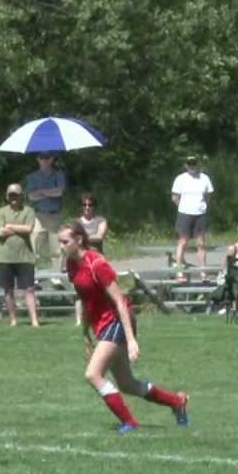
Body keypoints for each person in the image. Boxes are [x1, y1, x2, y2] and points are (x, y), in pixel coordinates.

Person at [60, 220, 190, 434]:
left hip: (117, 321)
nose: (61, 246)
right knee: (127, 384)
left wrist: (131, 340)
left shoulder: (96, 263)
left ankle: (130, 423)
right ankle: (176, 401)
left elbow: (120, 301)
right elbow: (85, 300)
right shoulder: (72, 264)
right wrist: (85, 334)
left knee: (93, 374)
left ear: (79, 240)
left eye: (65, 242)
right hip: (102, 325)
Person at [0, 183, 40, 327]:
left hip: (25, 256)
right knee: (8, 289)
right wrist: (19, 229)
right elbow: (0, 232)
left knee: (30, 289)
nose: (13, 197)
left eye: (16, 194)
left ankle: (34, 321)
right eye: (11, 195)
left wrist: (10, 227)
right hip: (5, 257)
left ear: (21, 196)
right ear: (7, 197)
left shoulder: (29, 211)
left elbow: (29, 229)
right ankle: (13, 320)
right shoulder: (0, 212)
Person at [25, 152, 67, 286]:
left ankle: (56, 275)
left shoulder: (58, 174)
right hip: (39, 215)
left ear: (52, 159)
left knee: (56, 247)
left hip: (55, 214)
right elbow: (31, 196)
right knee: (34, 244)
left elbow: (59, 192)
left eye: (47, 157)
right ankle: (33, 275)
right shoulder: (32, 176)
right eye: (41, 157)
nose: (44, 160)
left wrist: (41, 192)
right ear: (38, 159)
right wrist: (50, 192)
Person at [170, 155, 215, 282]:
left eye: (194, 163)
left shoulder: (204, 178)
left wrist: (202, 206)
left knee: (201, 243)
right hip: (184, 213)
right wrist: (183, 207)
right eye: (189, 164)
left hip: (200, 213)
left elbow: (208, 196)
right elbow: (174, 197)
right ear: (186, 165)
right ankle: (179, 272)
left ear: (198, 164)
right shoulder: (180, 179)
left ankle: (203, 272)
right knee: (182, 242)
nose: (192, 166)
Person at [74, 192, 110, 325]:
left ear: (94, 206)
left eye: (90, 205)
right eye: (84, 205)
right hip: (81, 260)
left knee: (102, 289)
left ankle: (103, 315)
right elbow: (73, 239)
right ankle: (79, 320)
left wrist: (82, 236)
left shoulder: (101, 220)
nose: (87, 207)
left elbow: (99, 237)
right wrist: (90, 235)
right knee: (80, 290)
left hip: (97, 259)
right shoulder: (76, 222)